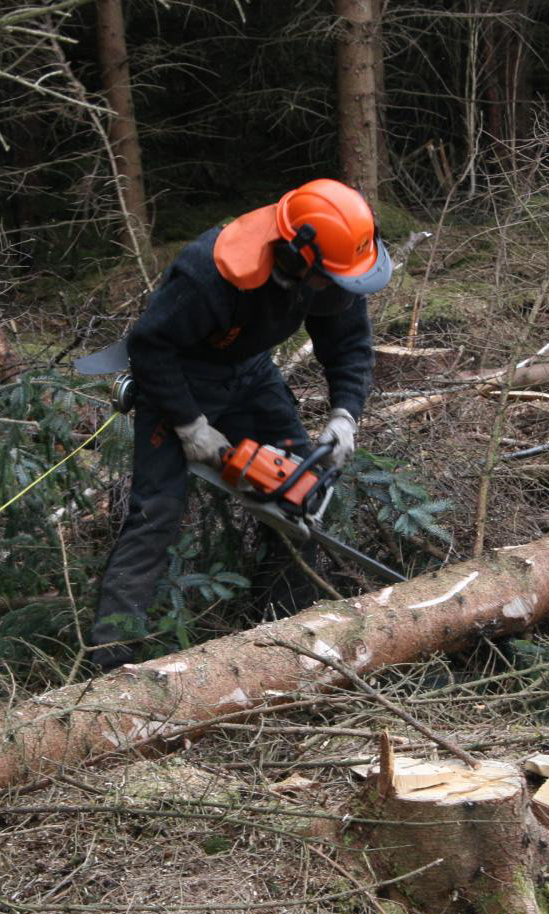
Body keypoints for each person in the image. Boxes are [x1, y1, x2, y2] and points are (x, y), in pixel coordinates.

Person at [87, 177, 392, 672]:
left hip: (250, 373)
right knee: (156, 514)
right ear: (296, 257)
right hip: (178, 377)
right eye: (331, 280)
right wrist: (190, 425)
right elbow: (150, 346)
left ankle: (286, 632)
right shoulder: (209, 271)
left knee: (301, 496)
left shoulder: (335, 268)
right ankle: (108, 661)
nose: (339, 290)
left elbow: (348, 344)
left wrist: (345, 415)